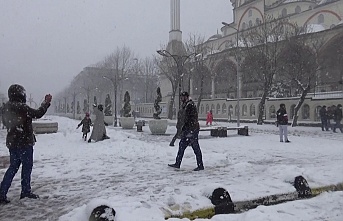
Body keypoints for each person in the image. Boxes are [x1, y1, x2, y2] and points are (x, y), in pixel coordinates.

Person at [0, 84, 52, 204]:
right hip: (24, 142)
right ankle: (25, 191)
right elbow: (38, 113)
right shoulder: (22, 107)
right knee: (27, 167)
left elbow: (6, 123)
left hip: (12, 142)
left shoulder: (6, 108)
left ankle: (2, 193)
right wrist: (46, 103)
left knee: (13, 167)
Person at [168, 91, 204, 171]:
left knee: (195, 147)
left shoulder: (190, 105)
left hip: (191, 130)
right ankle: (178, 163)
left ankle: (200, 165)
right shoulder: (185, 105)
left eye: (183, 97)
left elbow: (188, 118)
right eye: (181, 97)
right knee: (182, 146)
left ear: (186, 97)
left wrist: (187, 128)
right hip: (188, 130)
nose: (181, 98)